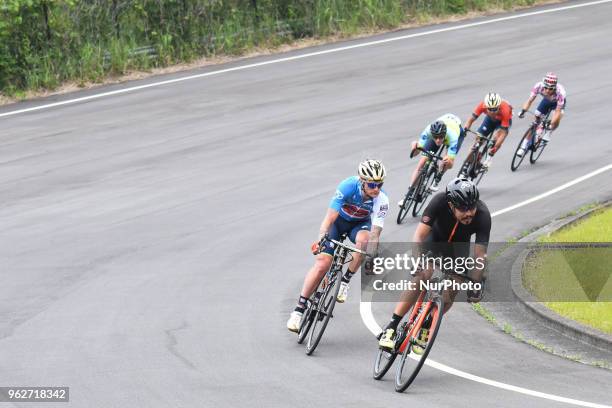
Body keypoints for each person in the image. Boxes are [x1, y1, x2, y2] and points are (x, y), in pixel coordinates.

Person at [378, 178, 491, 352]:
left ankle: (427, 323)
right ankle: (392, 327)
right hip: (434, 240)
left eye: (472, 207)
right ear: (451, 205)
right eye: (463, 208)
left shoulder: (483, 215)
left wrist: (475, 283)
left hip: (457, 249)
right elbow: (419, 236)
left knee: (455, 285)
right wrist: (418, 260)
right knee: (422, 275)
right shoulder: (439, 201)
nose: (469, 213)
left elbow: (480, 255)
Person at [287, 159, 389, 333]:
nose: (376, 189)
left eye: (380, 184)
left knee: (364, 242)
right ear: (362, 181)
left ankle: (345, 280)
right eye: (372, 184)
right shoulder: (347, 186)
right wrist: (322, 239)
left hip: (359, 226)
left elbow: (375, 232)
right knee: (322, 265)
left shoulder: (382, 199)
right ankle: (298, 310)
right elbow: (330, 218)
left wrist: (372, 252)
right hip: (338, 223)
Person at [398, 114, 465, 207]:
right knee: (421, 164)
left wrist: (448, 161)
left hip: (457, 131)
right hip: (443, 128)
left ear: (444, 134)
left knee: (446, 161)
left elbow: (451, 165)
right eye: (435, 137)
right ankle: (408, 195)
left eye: (440, 137)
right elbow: (417, 152)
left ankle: (438, 178)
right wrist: (414, 147)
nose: (438, 140)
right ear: (432, 134)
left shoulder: (452, 136)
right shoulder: (428, 131)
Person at [516, 72, 567, 157]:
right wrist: (523, 111)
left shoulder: (560, 92)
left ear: (554, 87)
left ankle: (549, 133)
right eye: (546, 87)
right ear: (543, 85)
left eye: (551, 89)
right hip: (546, 101)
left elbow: (558, 111)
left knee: (557, 118)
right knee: (535, 122)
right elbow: (529, 101)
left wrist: (551, 124)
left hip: (557, 104)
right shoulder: (538, 86)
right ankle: (523, 147)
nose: (547, 90)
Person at [462, 92, 513, 170]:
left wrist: (495, 148)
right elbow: (470, 120)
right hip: (489, 119)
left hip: (502, 121)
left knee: (496, 138)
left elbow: (503, 134)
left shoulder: (505, 110)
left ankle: (489, 158)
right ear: (486, 106)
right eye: (490, 109)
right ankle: (469, 161)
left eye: (495, 109)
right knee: (478, 139)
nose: (492, 112)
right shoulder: (482, 105)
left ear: (499, 107)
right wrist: (464, 130)